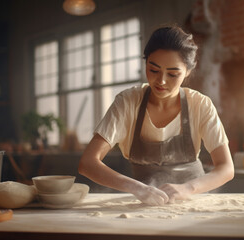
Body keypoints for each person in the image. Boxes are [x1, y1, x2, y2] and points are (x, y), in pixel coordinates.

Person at [78, 25, 234, 206]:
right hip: (146, 202)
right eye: (153, 70)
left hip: (194, 201)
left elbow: (226, 167)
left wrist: (187, 188)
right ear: (146, 64)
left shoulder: (200, 104)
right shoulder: (128, 102)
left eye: (173, 74)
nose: (161, 81)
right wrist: (137, 188)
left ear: (188, 72)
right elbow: (87, 163)